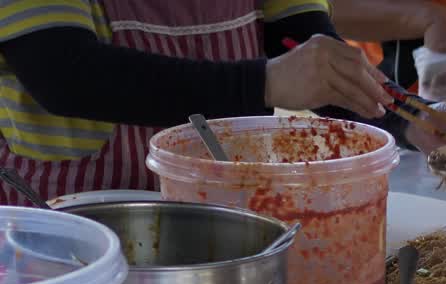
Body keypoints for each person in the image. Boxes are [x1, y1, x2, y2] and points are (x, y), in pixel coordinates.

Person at [0, 0, 401, 205]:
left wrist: (406, 117)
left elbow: (304, 42)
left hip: (226, 211)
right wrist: (263, 82)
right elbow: (65, 73)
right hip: (70, 230)